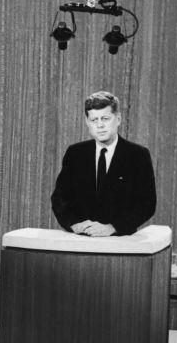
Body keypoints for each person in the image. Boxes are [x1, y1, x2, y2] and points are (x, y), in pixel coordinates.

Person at [51, 91, 156, 236]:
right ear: (87, 122)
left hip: (120, 241)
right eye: (94, 120)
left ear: (118, 119)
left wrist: (113, 227)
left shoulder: (138, 155)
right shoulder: (75, 153)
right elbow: (59, 198)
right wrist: (74, 224)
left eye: (105, 118)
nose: (100, 125)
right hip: (81, 239)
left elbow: (147, 204)